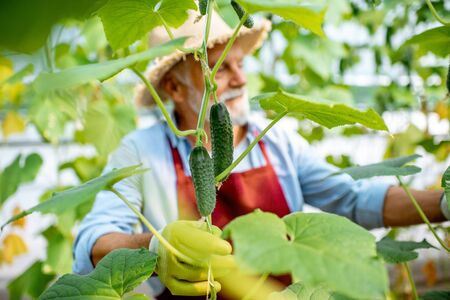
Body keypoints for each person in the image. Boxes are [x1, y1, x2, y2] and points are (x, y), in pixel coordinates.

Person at [73, 11, 449, 299]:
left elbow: (355, 199)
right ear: (172, 86)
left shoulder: (277, 139)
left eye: (240, 64)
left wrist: (444, 204)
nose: (239, 79)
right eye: (220, 69)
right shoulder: (140, 150)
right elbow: (93, 242)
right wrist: (155, 247)